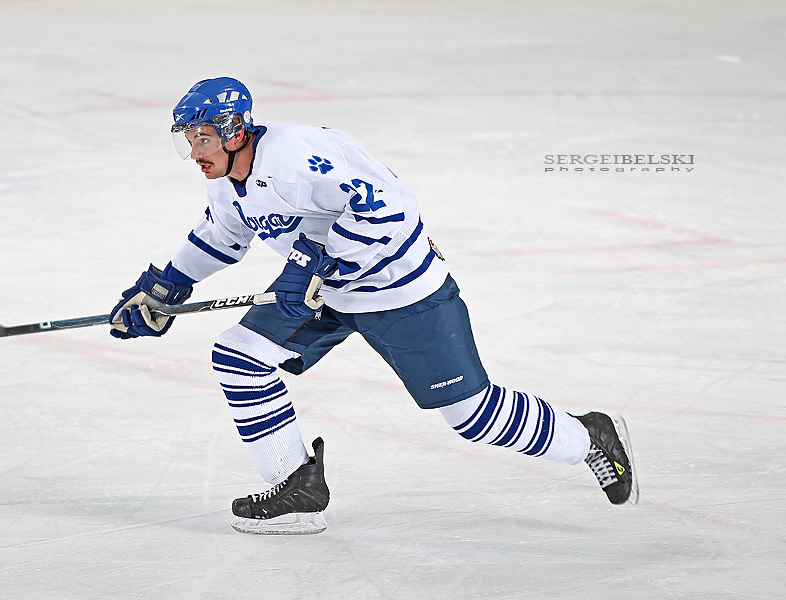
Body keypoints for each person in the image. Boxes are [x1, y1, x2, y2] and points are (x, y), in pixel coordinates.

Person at [108, 77, 639, 535]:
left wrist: (311, 260)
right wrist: (168, 287)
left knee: (472, 416)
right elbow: (224, 230)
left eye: (203, 137)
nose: (195, 150)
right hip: (325, 291)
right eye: (188, 139)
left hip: (401, 293)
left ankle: (587, 437)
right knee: (237, 356)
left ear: (235, 131)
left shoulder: (300, 159)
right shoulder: (228, 178)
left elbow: (392, 216)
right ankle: (298, 488)